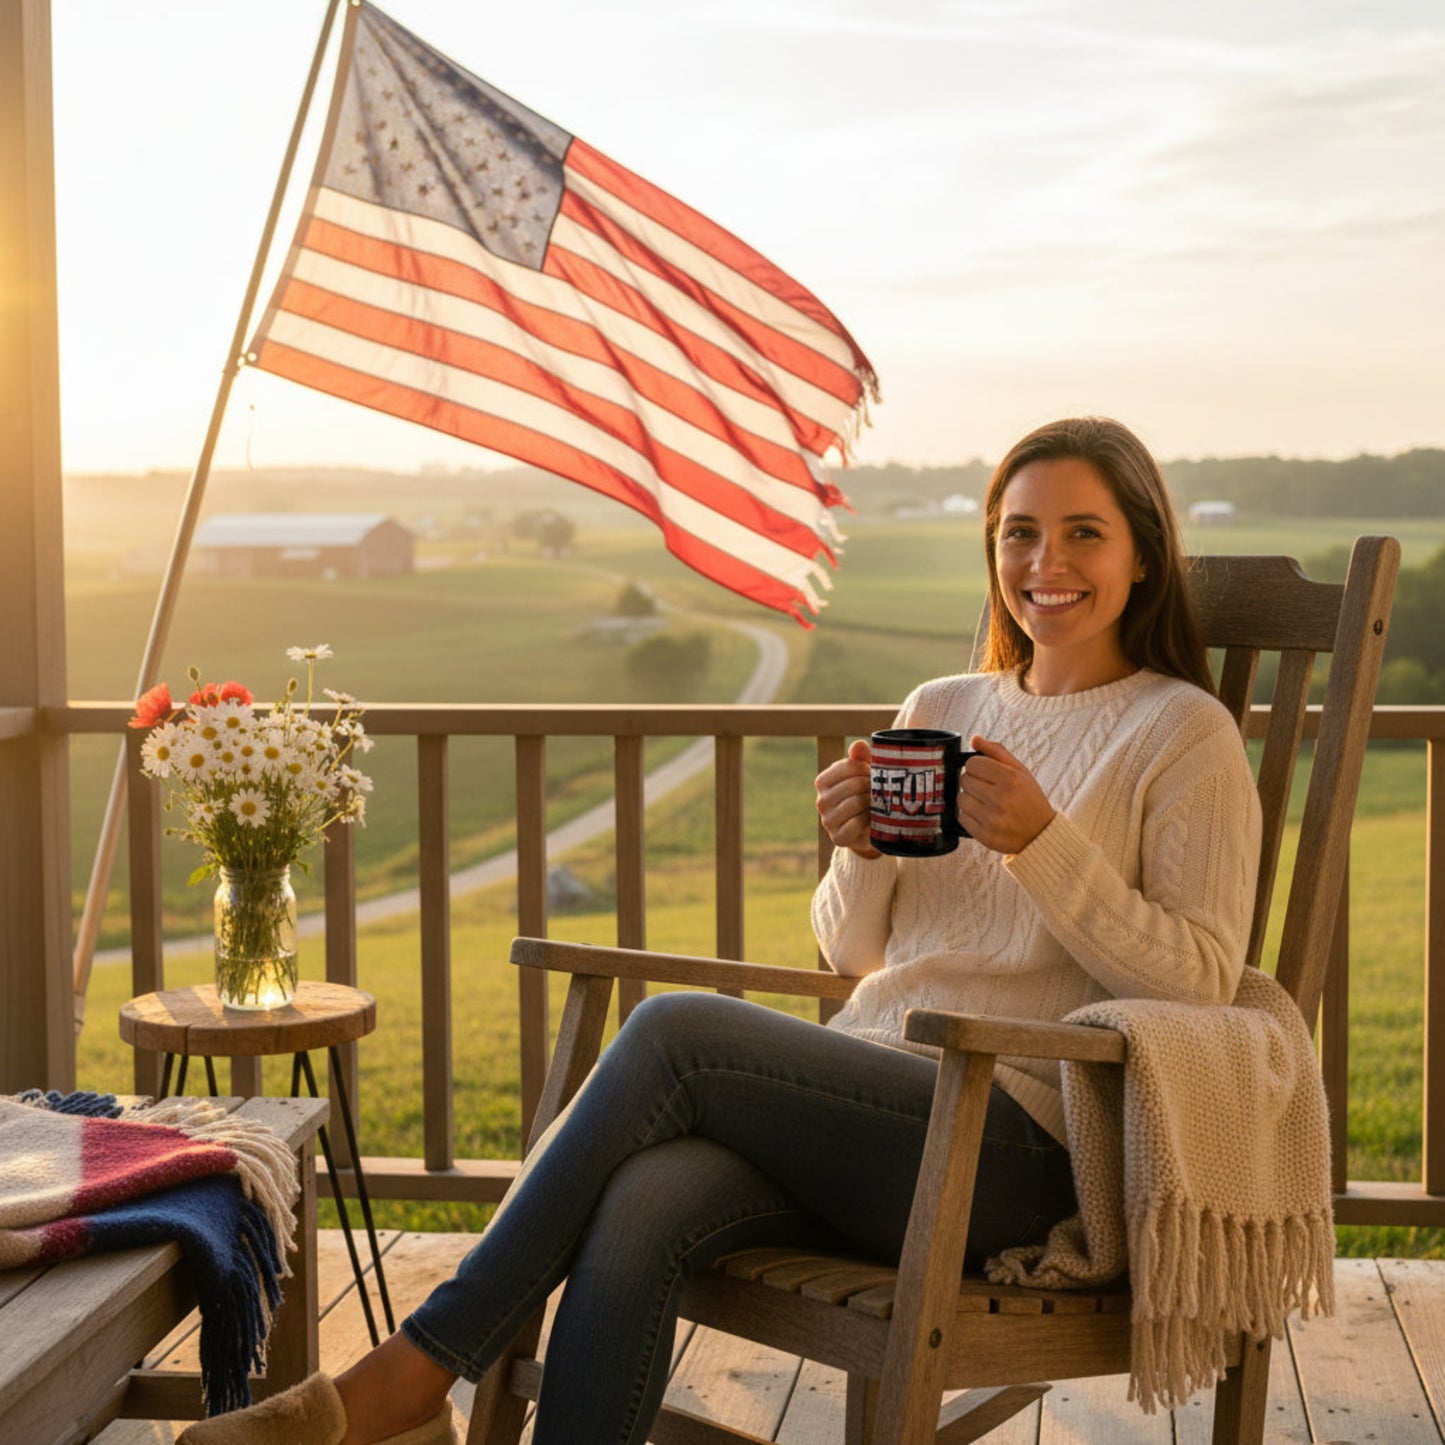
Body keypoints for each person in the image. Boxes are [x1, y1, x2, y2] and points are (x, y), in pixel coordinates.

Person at [180, 416, 1262, 1445]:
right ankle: (416, 1396)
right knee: (647, 1199)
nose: (1044, 560)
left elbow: (1201, 979)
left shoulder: (1179, 731)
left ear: (1142, 558)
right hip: (880, 1110)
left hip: (1016, 1140)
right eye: (1018, 531)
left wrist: (1042, 841)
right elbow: (856, 959)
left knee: (675, 1035)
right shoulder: (941, 702)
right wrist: (858, 851)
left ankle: (401, 1382)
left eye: (1082, 532)